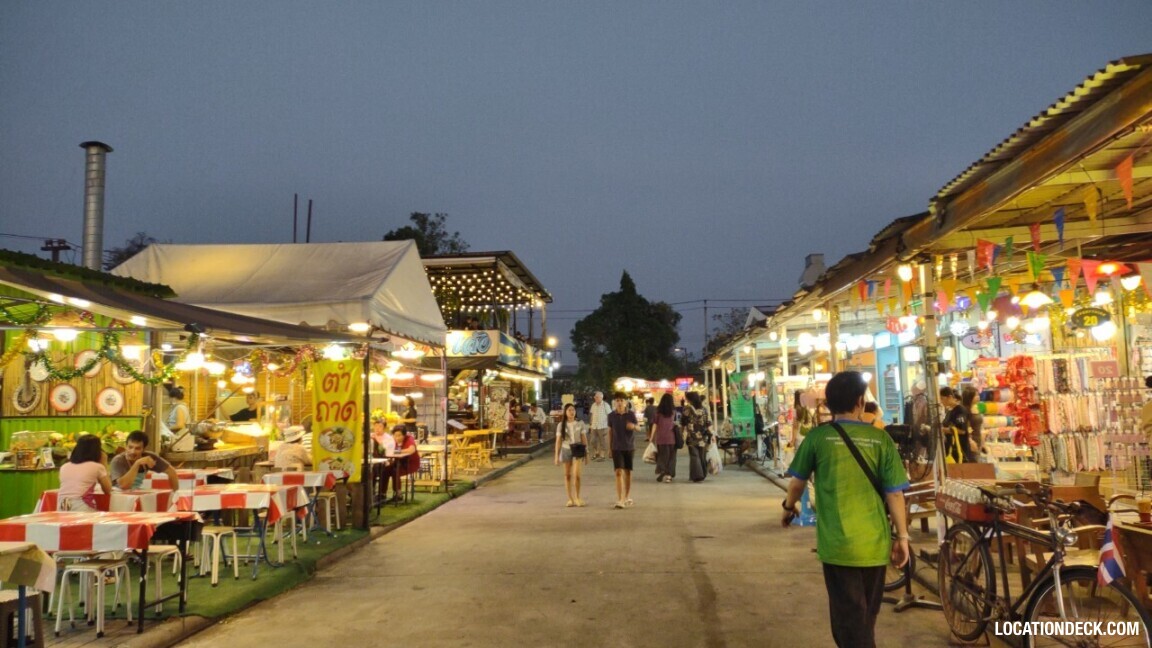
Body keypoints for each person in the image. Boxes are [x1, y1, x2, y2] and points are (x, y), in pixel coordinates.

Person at [782, 371, 910, 648]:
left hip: (838, 544)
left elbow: (796, 484)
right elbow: (895, 494)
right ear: (860, 401)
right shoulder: (881, 439)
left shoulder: (817, 438)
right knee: (866, 617)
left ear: (827, 404)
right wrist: (902, 538)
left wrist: (788, 507)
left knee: (848, 620)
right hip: (875, 543)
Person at [58, 435, 114, 512]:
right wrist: (104, 463)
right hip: (82, 508)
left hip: (61, 507)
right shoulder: (97, 467)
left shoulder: (64, 467)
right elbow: (108, 490)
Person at [110, 430, 179, 491]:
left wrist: (175, 494)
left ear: (144, 449)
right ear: (126, 446)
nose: (132, 452)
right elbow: (123, 486)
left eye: (137, 448)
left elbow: (171, 472)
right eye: (130, 447)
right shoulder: (118, 460)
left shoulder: (149, 456)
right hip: (117, 496)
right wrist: (137, 463)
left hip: (135, 492)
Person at [553, 403, 588, 507]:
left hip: (577, 450)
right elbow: (558, 441)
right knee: (567, 475)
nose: (571, 412)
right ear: (565, 412)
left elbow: (584, 439)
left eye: (573, 410)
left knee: (577, 475)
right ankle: (570, 498)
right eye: (569, 410)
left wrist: (587, 454)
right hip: (566, 450)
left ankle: (577, 497)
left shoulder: (580, 423)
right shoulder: (561, 425)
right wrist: (556, 456)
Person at [607, 392, 638, 509]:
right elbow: (609, 432)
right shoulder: (611, 416)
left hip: (629, 447)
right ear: (614, 402)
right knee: (618, 471)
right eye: (617, 400)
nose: (619, 403)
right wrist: (609, 448)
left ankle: (626, 496)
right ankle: (620, 499)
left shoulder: (631, 415)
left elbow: (639, 427)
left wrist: (633, 426)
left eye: (621, 400)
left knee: (628, 472)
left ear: (625, 402)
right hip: (616, 447)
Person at [940, 387, 977, 463]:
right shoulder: (949, 411)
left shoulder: (960, 410)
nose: (941, 401)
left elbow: (962, 430)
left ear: (949, 397)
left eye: (942, 399)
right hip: (951, 449)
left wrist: (944, 430)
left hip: (960, 449)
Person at [682, 391, 711, 482]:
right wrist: (711, 434)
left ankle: (697, 475)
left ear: (690, 399)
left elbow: (683, 422)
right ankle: (702, 473)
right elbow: (709, 423)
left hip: (692, 436)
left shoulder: (687, 409)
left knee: (694, 456)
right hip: (703, 436)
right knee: (702, 455)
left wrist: (682, 433)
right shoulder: (704, 409)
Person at [648, 393, 677, 483]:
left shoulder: (658, 412)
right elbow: (675, 423)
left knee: (662, 456)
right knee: (672, 457)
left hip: (661, 438)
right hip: (672, 437)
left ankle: (663, 470)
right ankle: (669, 475)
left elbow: (655, 425)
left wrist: (651, 437)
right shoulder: (673, 411)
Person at [389, 425, 421, 502]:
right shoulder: (392, 440)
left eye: (399, 435)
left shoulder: (409, 439)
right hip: (398, 462)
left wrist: (397, 451)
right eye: (395, 435)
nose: (397, 438)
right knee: (385, 470)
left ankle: (398, 493)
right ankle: (382, 494)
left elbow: (411, 450)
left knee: (395, 471)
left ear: (404, 435)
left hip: (410, 463)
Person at [371, 415, 399, 502]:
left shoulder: (389, 438)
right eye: (375, 426)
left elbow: (384, 449)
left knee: (378, 469)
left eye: (380, 426)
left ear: (384, 428)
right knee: (367, 469)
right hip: (373, 460)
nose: (377, 428)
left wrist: (376, 439)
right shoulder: (371, 436)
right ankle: (370, 493)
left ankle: (381, 494)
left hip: (387, 461)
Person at [961, 386, 985, 459]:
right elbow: (964, 427)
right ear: (969, 397)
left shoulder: (977, 407)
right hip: (970, 441)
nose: (978, 397)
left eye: (978, 394)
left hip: (978, 439)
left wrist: (983, 442)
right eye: (976, 395)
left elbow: (980, 426)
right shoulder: (964, 410)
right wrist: (970, 441)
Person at [587, 391, 612, 461]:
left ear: (601, 397)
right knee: (592, 441)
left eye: (597, 397)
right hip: (594, 426)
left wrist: (609, 425)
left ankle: (602, 455)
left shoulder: (605, 405)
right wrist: (590, 424)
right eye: (595, 397)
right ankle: (596, 452)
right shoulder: (593, 405)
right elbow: (592, 415)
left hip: (603, 426)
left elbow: (609, 415)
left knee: (602, 442)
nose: (595, 398)